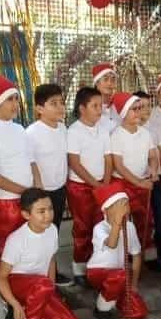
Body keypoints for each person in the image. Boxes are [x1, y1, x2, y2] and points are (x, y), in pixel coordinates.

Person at [0, 187, 79, 319]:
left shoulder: (53, 230)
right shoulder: (16, 240)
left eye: (50, 209)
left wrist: (52, 290)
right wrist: (13, 302)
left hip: (41, 286)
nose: (48, 214)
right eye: (41, 211)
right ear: (26, 215)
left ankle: (28, 307)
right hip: (17, 284)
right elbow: (1, 277)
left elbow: (51, 260)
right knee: (43, 286)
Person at [0, 75, 41, 269]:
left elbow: (31, 161)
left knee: (30, 244)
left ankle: (27, 283)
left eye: (16, 98)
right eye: (10, 99)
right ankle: (7, 288)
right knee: (9, 247)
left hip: (30, 197)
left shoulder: (20, 130)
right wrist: (25, 191)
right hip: (6, 203)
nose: (15, 103)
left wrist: (38, 187)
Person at [26, 83, 71, 286]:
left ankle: (52, 271)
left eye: (61, 102)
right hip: (41, 194)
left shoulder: (63, 128)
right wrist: (39, 191)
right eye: (53, 103)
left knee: (54, 232)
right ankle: (37, 276)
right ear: (39, 108)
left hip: (60, 188)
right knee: (38, 236)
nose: (60, 107)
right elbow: (30, 162)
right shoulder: (31, 133)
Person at [67, 86, 112, 284]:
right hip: (80, 188)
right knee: (82, 227)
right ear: (82, 108)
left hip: (101, 185)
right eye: (94, 105)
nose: (99, 109)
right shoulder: (74, 131)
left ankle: (97, 265)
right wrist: (96, 184)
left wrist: (106, 183)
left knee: (100, 225)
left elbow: (108, 158)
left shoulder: (103, 130)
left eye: (100, 105)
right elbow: (74, 163)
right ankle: (79, 268)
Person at [86, 181, 148, 319]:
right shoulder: (99, 228)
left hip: (119, 276)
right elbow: (112, 244)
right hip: (98, 272)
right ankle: (102, 309)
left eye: (126, 204)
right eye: (120, 206)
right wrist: (117, 224)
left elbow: (137, 256)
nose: (125, 209)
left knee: (138, 311)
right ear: (106, 210)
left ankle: (110, 296)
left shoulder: (130, 227)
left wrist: (133, 285)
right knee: (119, 276)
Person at [110, 92, 158, 260]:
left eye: (140, 108)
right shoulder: (116, 135)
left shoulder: (145, 133)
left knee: (144, 218)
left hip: (142, 183)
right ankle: (124, 255)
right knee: (123, 220)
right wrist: (138, 182)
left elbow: (153, 155)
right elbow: (119, 165)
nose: (139, 112)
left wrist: (153, 169)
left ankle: (144, 254)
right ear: (123, 112)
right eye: (134, 109)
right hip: (123, 184)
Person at [136, 89, 161, 268]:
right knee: (143, 217)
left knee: (160, 216)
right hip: (139, 179)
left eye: (149, 106)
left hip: (156, 178)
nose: (146, 110)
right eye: (141, 106)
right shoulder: (131, 128)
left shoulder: (155, 128)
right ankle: (142, 252)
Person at [93, 63, 120, 134]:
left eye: (113, 80)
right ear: (97, 83)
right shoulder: (88, 108)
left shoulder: (119, 106)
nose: (109, 83)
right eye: (105, 79)